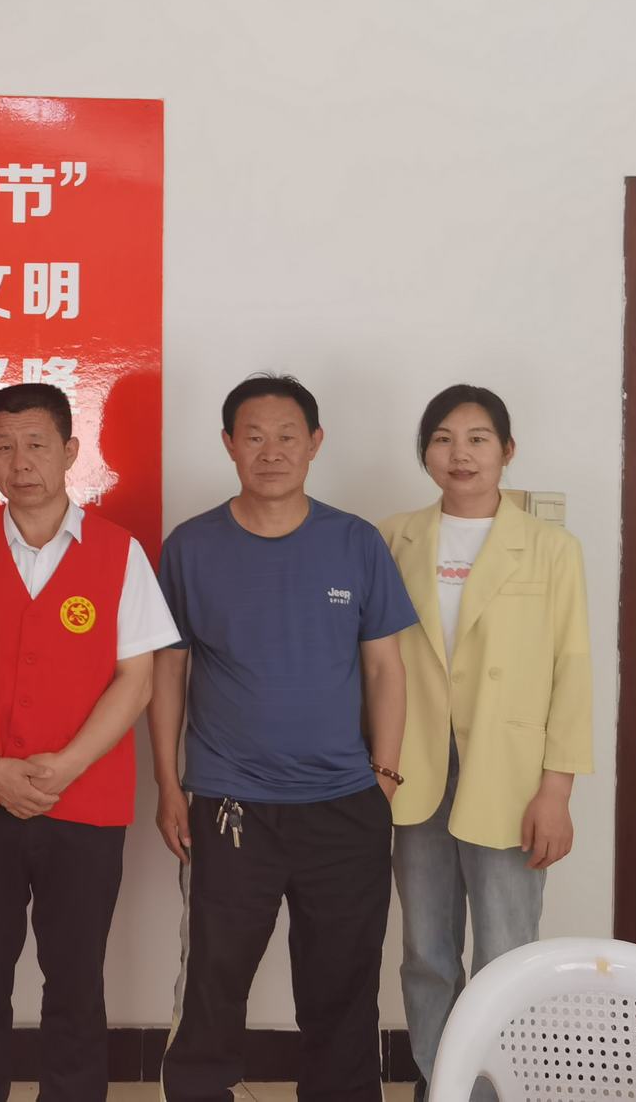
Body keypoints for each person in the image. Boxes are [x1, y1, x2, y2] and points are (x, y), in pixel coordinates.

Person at [149, 374, 415, 1102]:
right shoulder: (191, 547)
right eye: (254, 436)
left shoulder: (355, 542)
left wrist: (384, 777)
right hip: (230, 804)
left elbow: (385, 668)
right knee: (214, 980)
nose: (271, 451)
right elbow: (168, 673)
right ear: (229, 444)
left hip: (345, 805)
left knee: (343, 985)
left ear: (315, 443)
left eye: (287, 435)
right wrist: (169, 785)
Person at [0, 381, 179, 1102]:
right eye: (3, 447)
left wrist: (64, 766)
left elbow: (137, 679)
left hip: (85, 804)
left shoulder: (120, 553)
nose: (20, 461)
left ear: (70, 451)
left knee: (75, 979)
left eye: (36, 444)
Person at [380, 385, 591, 1100]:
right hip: (414, 770)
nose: (460, 454)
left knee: (507, 949)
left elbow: (572, 668)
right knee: (426, 951)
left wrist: (557, 789)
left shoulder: (552, 548)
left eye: (477, 438)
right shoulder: (393, 538)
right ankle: (440, 1082)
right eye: (442, 438)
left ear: (507, 450)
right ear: (425, 453)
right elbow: (372, 660)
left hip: (511, 775)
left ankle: (501, 1088)